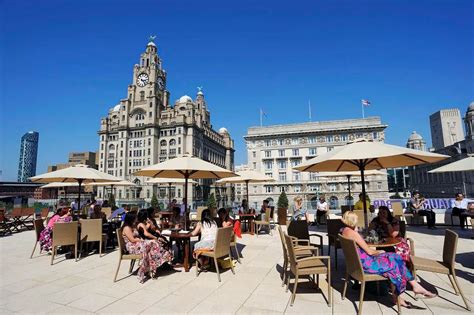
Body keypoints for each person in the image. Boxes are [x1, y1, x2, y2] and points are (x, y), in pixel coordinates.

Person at [341, 212, 436, 308]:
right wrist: (381, 251)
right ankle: (403, 293)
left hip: (359, 263)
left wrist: (356, 230)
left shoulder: (344, 230)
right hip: (367, 264)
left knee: (395, 258)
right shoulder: (354, 234)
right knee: (395, 263)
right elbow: (370, 252)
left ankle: (411, 288)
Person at [121, 212, 173, 283]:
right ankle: (148, 269)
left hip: (137, 244)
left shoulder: (132, 226)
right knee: (149, 246)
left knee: (153, 244)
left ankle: (152, 267)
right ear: (131, 219)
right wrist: (140, 240)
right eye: (135, 218)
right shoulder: (126, 228)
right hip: (132, 246)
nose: (136, 219)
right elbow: (132, 240)